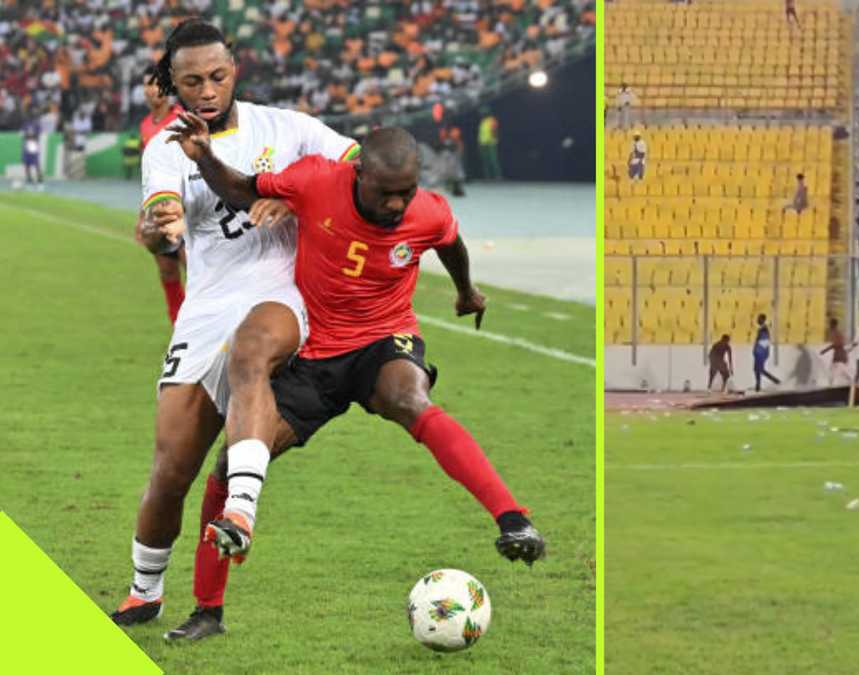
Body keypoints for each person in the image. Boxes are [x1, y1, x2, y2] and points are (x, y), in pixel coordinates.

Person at [160, 122, 547, 636]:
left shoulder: (427, 210)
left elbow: (450, 243)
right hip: (316, 354)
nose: (395, 205)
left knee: (409, 397)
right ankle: (208, 610)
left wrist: (466, 291)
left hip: (383, 341)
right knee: (233, 461)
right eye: (385, 193)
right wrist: (204, 155)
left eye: (405, 193)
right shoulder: (315, 180)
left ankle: (512, 518)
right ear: (357, 172)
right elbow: (238, 188)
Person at [109, 19, 366, 635]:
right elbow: (162, 212)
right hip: (206, 307)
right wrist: (160, 230)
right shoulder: (164, 148)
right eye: (192, 79)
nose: (206, 89)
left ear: (235, 71)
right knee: (170, 471)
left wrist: (301, 192)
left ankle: (242, 509)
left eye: (217, 76)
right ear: (172, 81)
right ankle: (145, 592)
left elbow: (359, 165)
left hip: (281, 291)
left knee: (252, 354)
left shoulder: (289, 128)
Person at [134, 64, 187, 325]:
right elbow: (148, 176)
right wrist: (141, 215)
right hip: (157, 211)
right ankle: (178, 325)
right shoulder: (145, 126)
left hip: (184, 209)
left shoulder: (182, 120)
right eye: (148, 83)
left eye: (157, 83)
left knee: (197, 271)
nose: (152, 89)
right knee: (167, 271)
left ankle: (207, 327)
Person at [752, 314, 781, 392]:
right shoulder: (762, 329)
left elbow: (765, 341)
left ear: (762, 319)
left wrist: (758, 351)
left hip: (761, 353)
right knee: (757, 369)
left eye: (758, 318)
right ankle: (759, 385)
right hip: (759, 352)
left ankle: (774, 382)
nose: (757, 320)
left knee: (759, 369)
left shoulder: (764, 329)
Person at [820, 318, 851, 385]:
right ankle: (852, 383)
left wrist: (825, 350)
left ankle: (853, 384)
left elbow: (839, 343)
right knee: (837, 373)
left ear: (833, 325)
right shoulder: (835, 333)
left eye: (830, 324)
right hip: (838, 357)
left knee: (835, 374)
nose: (829, 326)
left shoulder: (837, 333)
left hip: (840, 357)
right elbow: (837, 344)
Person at [478, 109, 502, 179]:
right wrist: (480, 143)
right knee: (485, 160)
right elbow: (481, 133)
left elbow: (495, 131)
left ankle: (498, 175)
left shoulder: (492, 120)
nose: (482, 115)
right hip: (483, 143)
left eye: (483, 113)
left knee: (493, 159)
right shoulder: (482, 121)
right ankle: (487, 176)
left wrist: (494, 138)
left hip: (491, 143)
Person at [21, 118, 42, 185]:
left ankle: (38, 176)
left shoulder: (35, 124)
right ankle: (30, 176)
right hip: (29, 142)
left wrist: (32, 136)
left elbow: (38, 134)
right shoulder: (26, 123)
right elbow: (23, 134)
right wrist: (28, 136)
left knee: (34, 160)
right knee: (28, 161)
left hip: (32, 142)